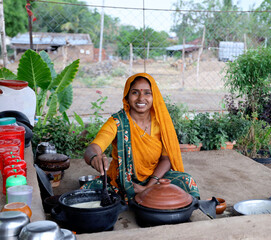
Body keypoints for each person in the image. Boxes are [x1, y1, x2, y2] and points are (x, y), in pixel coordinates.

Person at [82, 73, 200, 202]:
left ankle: (147, 195)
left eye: (147, 93)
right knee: (85, 193)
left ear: (154, 96)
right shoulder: (117, 122)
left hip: (155, 179)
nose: (141, 98)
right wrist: (94, 157)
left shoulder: (160, 123)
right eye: (135, 92)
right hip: (122, 182)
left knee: (186, 182)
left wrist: (149, 187)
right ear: (127, 96)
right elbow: (93, 148)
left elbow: (166, 158)